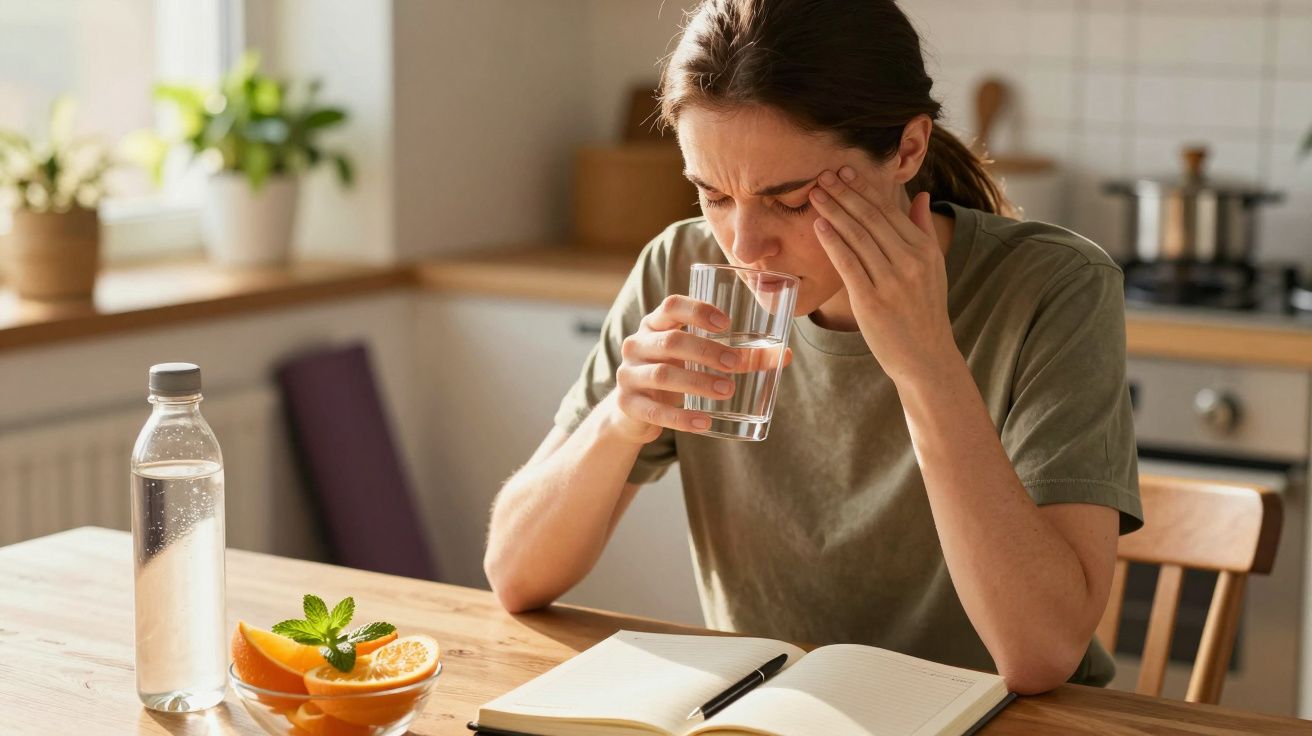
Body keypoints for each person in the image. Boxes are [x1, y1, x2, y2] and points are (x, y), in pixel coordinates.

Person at [483, 0, 1142, 694]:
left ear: (907, 150)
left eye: (792, 201)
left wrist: (926, 366)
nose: (744, 247)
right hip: (772, 709)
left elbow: (1041, 655)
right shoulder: (680, 269)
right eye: (712, 194)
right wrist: (619, 421)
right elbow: (515, 574)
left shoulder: (1053, 286)